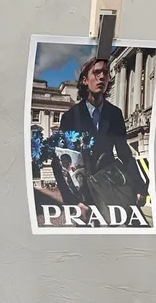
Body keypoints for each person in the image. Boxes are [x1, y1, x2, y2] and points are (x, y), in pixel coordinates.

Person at [59, 56, 147, 209]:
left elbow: (124, 153)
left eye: (105, 73)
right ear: (85, 80)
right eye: (96, 72)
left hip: (111, 187)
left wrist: (140, 187)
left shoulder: (115, 114)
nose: (102, 77)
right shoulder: (70, 117)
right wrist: (73, 201)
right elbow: (61, 161)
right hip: (83, 194)